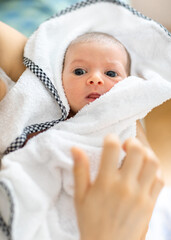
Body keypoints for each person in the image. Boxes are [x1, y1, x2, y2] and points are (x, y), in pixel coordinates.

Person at [0, 20, 163, 240]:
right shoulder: (44, 106)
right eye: (79, 71)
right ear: (58, 78)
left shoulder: (121, 121)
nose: (95, 78)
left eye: (111, 73)